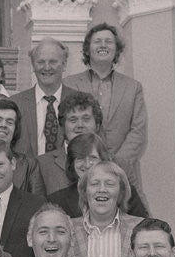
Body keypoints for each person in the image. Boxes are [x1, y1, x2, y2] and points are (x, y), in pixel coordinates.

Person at [64, 22, 148, 197]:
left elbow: (138, 131)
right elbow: (65, 126)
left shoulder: (133, 87)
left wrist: (115, 163)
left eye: (109, 41)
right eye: (98, 41)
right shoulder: (69, 84)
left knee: (135, 219)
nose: (103, 45)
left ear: (117, 50)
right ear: (87, 49)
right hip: (80, 171)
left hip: (123, 171)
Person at [70, 160, 143, 257]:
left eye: (110, 184)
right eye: (94, 184)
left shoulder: (141, 229)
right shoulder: (67, 230)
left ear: (121, 192)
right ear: (84, 192)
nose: (102, 189)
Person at [47, 131, 148, 220]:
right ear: (72, 164)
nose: (87, 164)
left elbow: (144, 229)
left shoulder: (125, 192)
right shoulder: (56, 201)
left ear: (103, 160)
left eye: (93, 158)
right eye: (80, 158)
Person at [9, 38, 69, 158]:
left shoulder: (80, 102)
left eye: (53, 61)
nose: (47, 67)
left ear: (64, 65)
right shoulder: (14, 104)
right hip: (26, 175)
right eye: (40, 62)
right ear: (33, 66)